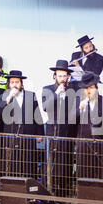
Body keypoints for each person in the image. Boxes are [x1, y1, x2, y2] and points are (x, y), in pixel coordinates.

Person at [0, 70, 44, 179]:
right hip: (11, 135)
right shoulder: (4, 96)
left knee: (29, 163)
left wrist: (40, 134)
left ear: (21, 83)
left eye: (17, 82)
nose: (15, 85)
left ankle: (30, 188)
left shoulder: (30, 95)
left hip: (28, 134)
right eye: (12, 82)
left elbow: (37, 115)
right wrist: (8, 99)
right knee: (13, 164)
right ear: (9, 84)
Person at [42, 60, 77, 196]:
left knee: (66, 162)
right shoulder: (48, 89)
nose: (62, 79)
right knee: (51, 162)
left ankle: (64, 192)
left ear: (68, 76)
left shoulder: (73, 90)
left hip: (67, 131)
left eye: (64, 76)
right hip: (53, 130)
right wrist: (56, 93)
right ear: (54, 76)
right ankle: (49, 191)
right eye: (59, 76)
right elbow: (46, 107)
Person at [73, 72, 103, 180]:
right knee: (84, 173)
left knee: (100, 172)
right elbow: (71, 119)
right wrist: (80, 108)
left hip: (100, 143)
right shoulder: (78, 101)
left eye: (91, 87)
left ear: (96, 88)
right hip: (84, 144)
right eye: (86, 88)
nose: (89, 90)